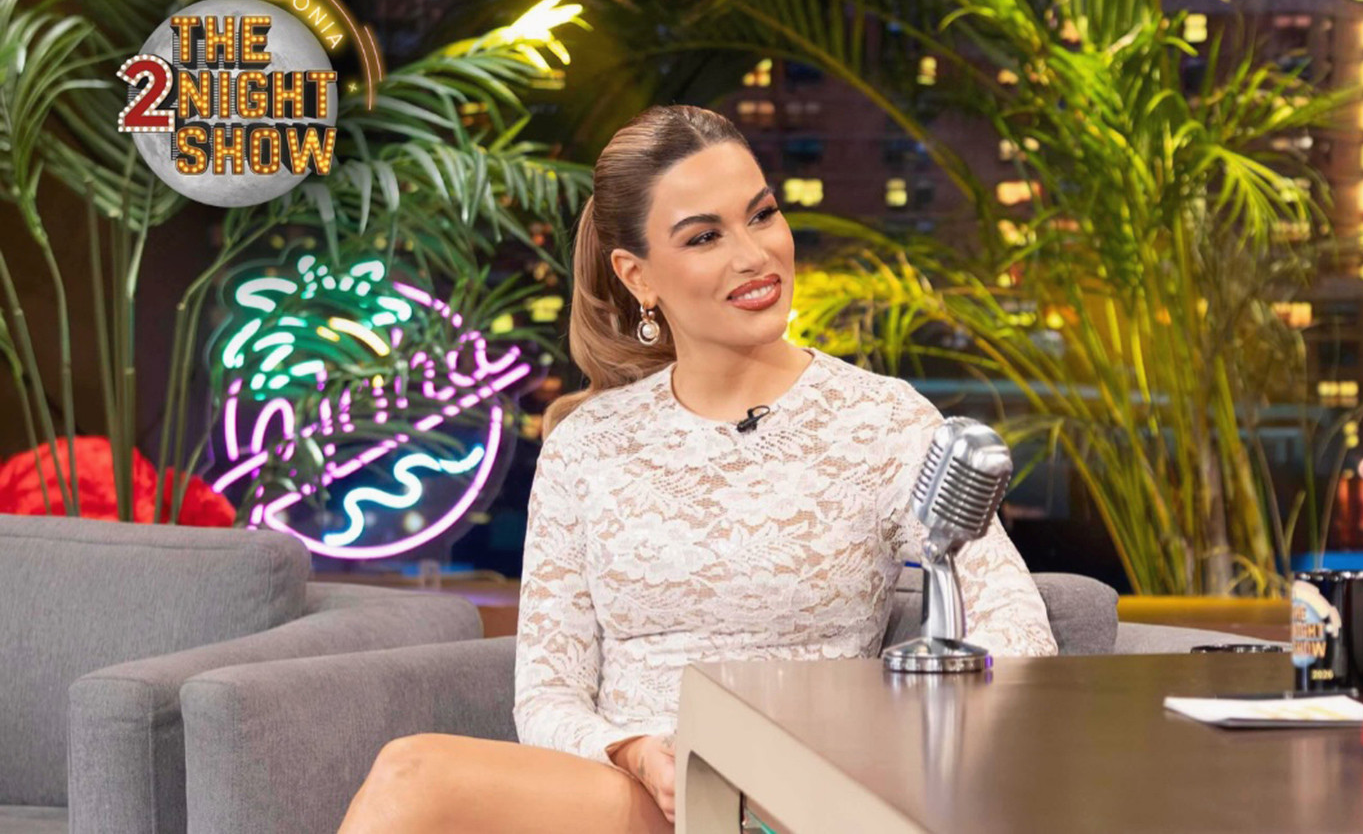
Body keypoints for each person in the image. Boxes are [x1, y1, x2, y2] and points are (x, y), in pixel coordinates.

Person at [336, 105, 1058, 834]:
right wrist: (636, 752)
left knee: (414, 776)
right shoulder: (587, 443)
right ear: (637, 276)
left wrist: (876, 744)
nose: (754, 255)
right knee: (412, 774)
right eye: (705, 236)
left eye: (763, 215)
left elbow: (1018, 630)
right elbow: (548, 694)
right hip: (632, 794)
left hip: (789, 794)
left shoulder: (881, 420)